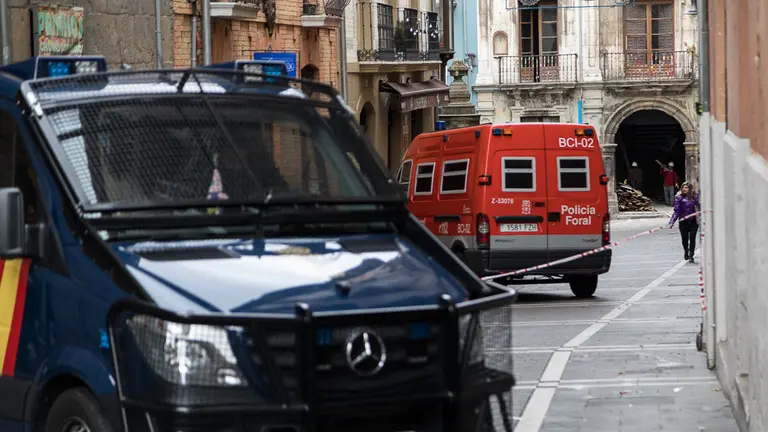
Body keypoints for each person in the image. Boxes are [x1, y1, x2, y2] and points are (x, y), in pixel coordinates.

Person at [668, 181, 700, 262]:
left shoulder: (695, 196)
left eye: (686, 187)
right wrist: (672, 221)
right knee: (684, 239)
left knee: (692, 237)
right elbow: (676, 211)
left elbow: (700, 205)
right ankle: (686, 250)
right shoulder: (679, 198)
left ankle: (691, 254)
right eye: (683, 187)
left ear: (690, 188)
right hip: (683, 221)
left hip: (693, 221)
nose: (684, 189)